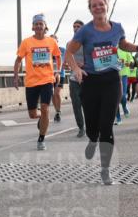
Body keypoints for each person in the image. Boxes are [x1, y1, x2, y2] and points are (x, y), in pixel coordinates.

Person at [66, 0, 138, 185]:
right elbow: (69, 51)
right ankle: (92, 138)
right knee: (92, 123)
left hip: (112, 80)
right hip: (90, 81)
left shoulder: (118, 27)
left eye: (101, 4)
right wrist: (76, 69)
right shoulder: (85, 31)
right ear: (90, 9)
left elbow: (123, 44)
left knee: (107, 125)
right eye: (94, 5)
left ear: (107, 6)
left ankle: (105, 169)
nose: (98, 7)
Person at [14, 15, 61, 151]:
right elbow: (18, 60)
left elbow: (58, 57)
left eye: (41, 24)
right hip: (31, 82)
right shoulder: (26, 42)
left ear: (45, 26)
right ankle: (41, 116)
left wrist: (57, 71)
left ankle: (41, 139)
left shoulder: (51, 42)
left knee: (46, 108)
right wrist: (16, 77)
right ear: (33, 27)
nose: (39, 26)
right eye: (36, 24)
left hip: (47, 80)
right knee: (32, 114)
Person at [67, 20, 86, 138]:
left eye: (78, 26)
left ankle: (92, 125)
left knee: (88, 105)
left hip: (87, 78)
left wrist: (83, 64)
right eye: (74, 26)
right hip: (74, 79)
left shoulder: (88, 43)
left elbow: (93, 58)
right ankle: (81, 127)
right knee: (76, 105)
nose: (76, 28)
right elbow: (68, 59)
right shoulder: (69, 43)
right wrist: (71, 65)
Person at [51, 31, 65, 123]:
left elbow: (65, 60)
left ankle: (59, 111)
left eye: (54, 41)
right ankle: (56, 111)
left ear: (57, 41)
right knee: (52, 94)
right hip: (49, 75)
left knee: (57, 93)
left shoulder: (63, 50)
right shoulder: (47, 50)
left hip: (60, 74)